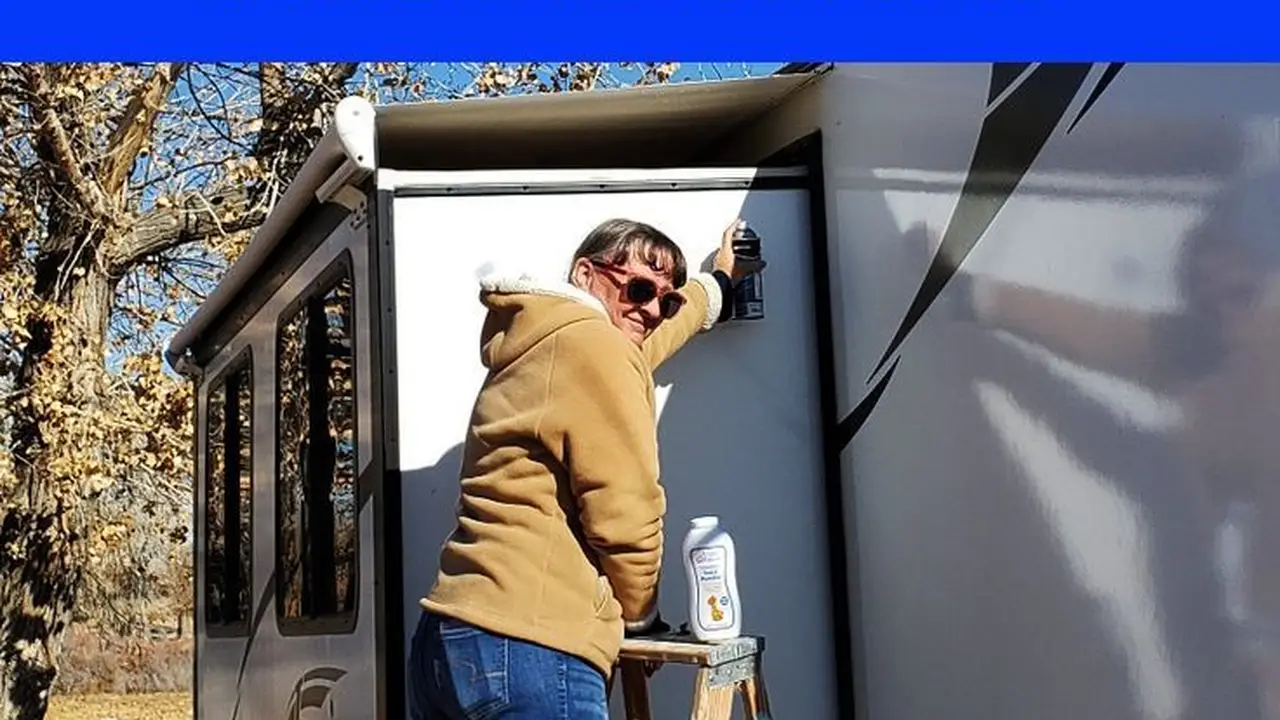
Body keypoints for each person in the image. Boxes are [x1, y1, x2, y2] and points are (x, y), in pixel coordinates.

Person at [408, 217, 763, 720]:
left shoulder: (544, 337)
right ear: (584, 273)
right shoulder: (596, 348)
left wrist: (718, 285)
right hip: (531, 645)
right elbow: (627, 518)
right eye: (639, 288)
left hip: (449, 641)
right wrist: (640, 621)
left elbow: (644, 345)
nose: (652, 308)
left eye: (666, 300)